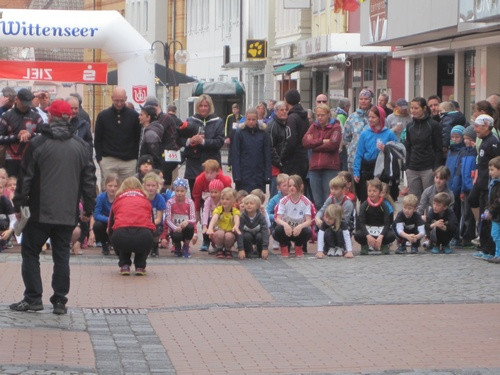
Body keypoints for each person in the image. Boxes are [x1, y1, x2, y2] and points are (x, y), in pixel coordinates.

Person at [10, 99, 96, 314]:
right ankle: (59, 300)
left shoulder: (38, 143)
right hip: (67, 212)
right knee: (61, 255)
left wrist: (19, 203)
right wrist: (88, 208)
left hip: (40, 210)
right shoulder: (81, 146)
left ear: (51, 117)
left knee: (30, 252)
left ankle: (33, 297)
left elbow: (25, 177)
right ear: (70, 118)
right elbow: (89, 180)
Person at [94, 87, 142, 186]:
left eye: (121, 100)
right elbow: (97, 139)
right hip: (108, 160)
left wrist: (135, 158)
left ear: (126, 98)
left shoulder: (134, 116)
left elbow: (138, 138)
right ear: (112, 98)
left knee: (128, 190)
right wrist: (100, 159)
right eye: (116, 100)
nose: (119, 103)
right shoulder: (103, 116)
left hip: (129, 162)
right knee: (108, 191)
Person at [108, 177, 155, 276]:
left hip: (121, 236)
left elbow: (110, 225)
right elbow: (152, 225)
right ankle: (140, 266)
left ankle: (124, 264)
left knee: (121, 235)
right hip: (143, 236)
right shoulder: (145, 200)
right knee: (146, 235)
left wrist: (113, 242)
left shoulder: (118, 200)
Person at [177, 94, 225, 191]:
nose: (203, 108)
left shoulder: (218, 121)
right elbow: (179, 139)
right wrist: (190, 141)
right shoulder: (190, 120)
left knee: (213, 197)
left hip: (212, 165)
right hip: (193, 165)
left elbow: (219, 142)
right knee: (196, 198)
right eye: (201, 106)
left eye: (206, 106)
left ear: (210, 107)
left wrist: (203, 141)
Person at [353, 105, 397, 203]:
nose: (370, 119)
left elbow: (396, 150)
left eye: (373, 117)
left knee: (382, 198)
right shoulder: (365, 133)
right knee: (365, 198)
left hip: (382, 169)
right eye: (369, 117)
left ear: (380, 118)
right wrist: (356, 171)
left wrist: (386, 148)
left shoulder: (389, 133)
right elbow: (359, 154)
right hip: (367, 168)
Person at [470, 114, 500, 260]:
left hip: (489, 187)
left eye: (477, 126)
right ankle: (485, 246)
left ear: (486, 126)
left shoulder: (493, 142)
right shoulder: (484, 141)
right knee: (482, 215)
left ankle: (490, 249)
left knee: (488, 219)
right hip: (481, 184)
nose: (475, 130)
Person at [302, 103, 342, 210]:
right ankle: (320, 222)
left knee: (329, 199)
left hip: (330, 167)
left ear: (328, 115)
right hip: (314, 168)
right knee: (317, 201)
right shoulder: (313, 127)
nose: (320, 117)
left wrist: (314, 146)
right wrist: (321, 141)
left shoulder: (336, 127)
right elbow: (305, 142)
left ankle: (330, 222)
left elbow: (333, 145)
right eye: (318, 115)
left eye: (322, 115)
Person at [405, 97, 443, 199]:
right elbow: (408, 147)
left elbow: (439, 148)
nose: (413, 110)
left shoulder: (433, 125)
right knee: (414, 200)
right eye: (412, 108)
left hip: (428, 168)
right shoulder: (410, 126)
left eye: (416, 108)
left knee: (430, 198)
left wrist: (435, 168)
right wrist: (407, 166)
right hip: (412, 168)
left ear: (424, 108)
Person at [0, 88, 43, 177]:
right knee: (12, 186)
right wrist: (17, 136)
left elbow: (44, 136)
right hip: (11, 159)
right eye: (23, 104)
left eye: (28, 104)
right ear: (16, 99)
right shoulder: (6, 116)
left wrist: (30, 135)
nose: (26, 106)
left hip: (30, 158)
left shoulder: (36, 116)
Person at [231, 108, 271, 192]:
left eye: (253, 119)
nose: (251, 122)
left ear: (257, 119)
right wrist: (236, 176)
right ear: (245, 119)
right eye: (249, 119)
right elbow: (235, 155)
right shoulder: (239, 133)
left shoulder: (263, 133)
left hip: (258, 174)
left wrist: (267, 175)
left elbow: (267, 155)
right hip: (244, 174)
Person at [143, 96, 179, 186]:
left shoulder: (165, 118)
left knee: (166, 183)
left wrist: (146, 126)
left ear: (155, 107)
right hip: (164, 156)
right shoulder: (159, 119)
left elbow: (156, 133)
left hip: (169, 156)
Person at [273, 175, 312, 258]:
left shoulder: (306, 202)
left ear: (301, 187)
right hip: (287, 230)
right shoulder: (283, 201)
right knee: (278, 230)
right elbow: (278, 218)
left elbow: (309, 220)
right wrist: (285, 225)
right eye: (289, 186)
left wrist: (300, 226)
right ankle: (284, 247)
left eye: (294, 185)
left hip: (298, 231)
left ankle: (298, 246)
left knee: (308, 231)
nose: (291, 188)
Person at [354, 178, 395, 255]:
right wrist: (368, 236)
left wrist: (381, 237)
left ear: (379, 192)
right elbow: (361, 223)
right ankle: (365, 245)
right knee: (358, 235)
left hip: (381, 229)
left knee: (392, 235)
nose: (371, 193)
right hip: (368, 229)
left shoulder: (384, 205)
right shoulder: (364, 205)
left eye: (374, 191)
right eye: (369, 191)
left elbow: (387, 223)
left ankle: (383, 244)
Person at [281, 89, 309, 182]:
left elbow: (291, 140)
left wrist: (282, 156)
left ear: (287, 101)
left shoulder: (292, 118)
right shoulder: (304, 117)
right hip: (303, 157)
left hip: (293, 160)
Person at [165, 177, 197, 258]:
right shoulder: (170, 202)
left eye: (182, 191)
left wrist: (188, 221)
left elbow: (193, 218)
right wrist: (175, 227)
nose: (179, 193)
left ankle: (186, 246)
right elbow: (168, 219)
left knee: (190, 227)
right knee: (176, 235)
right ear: (174, 191)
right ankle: (177, 246)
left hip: (185, 227)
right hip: (175, 228)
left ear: (186, 191)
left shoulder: (190, 202)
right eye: (177, 191)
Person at [206, 187, 241, 259]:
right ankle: (219, 249)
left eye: (227, 199)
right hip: (219, 232)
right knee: (220, 233)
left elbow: (236, 218)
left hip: (229, 233)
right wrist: (210, 228)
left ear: (233, 201)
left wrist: (236, 226)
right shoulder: (218, 209)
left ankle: (228, 249)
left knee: (229, 236)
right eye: (222, 199)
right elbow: (214, 218)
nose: (224, 201)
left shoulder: (235, 211)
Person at [344, 88, 373, 171]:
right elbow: (346, 138)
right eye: (361, 99)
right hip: (354, 159)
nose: (363, 101)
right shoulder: (352, 117)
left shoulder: (374, 117)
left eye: (366, 99)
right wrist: (350, 149)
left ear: (370, 100)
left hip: (370, 160)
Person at [445, 125, 466, 244]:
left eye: (457, 137)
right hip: (449, 185)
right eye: (452, 137)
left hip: (457, 187)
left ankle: (458, 235)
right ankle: (452, 234)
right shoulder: (450, 151)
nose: (454, 139)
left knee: (458, 212)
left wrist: (457, 186)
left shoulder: (462, 151)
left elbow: (459, 171)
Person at [459, 125, 477, 247]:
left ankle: (472, 236)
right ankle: (465, 236)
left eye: (468, 138)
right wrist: (461, 189)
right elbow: (461, 173)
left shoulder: (476, 152)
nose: (466, 141)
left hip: (473, 188)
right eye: (464, 138)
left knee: (472, 214)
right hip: (465, 188)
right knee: (465, 213)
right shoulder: (463, 152)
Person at [93, 173, 119, 256]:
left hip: (117, 223)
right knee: (97, 225)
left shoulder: (120, 198)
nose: (112, 188)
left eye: (115, 186)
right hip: (104, 222)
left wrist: (113, 221)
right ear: (105, 186)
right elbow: (96, 215)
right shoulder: (101, 197)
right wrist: (109, 220)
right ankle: (104, 244)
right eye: (110, 186)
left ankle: (116, 245)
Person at [237, 193, 270, 259]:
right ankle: (248, 252)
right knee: (246, 236)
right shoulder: (242, 217)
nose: (249, 205)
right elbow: (239, 233)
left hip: (258, 236)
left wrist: (265, 248)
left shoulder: (261, 217)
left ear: (257, 206)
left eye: (251, 203)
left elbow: (265, 232)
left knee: (260, 236)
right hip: (248, 237)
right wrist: (240, 249)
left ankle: (260, 251)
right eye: (246, 204)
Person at [266, 101, 288, 197]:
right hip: (275, 167)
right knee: (276, 194)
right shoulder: (272, 125)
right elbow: (270, 147)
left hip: (284, 165)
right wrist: (279, 162)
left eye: (285, 110)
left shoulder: (286, 124)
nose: (284, 112)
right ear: (275, 111)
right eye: (281, 110)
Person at [143, 172, 166, 257]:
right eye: (148, 185)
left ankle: (155, 246)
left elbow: (158, 219)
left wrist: (149, 224)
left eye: (153, 186)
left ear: (157, 186)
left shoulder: (160, 199)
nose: (150, 188)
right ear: (144, 186)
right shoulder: (142, 197)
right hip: (143, 222)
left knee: (156, 229)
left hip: (155, 223)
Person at [201, 178, 224, 253]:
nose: (213, 194)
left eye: (215, 192)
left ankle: (219, 244)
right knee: (206, 221)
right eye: (211, 192)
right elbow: (205, 212)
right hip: (211, 219)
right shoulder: (208, 200)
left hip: (221, 219)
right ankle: (206, 241)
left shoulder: (223, 200)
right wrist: (204, 225)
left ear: (220, 192)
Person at [484, 156, 500, 263]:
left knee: (496, 234)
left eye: (492, 170)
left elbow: (497, 201)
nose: (490, 172)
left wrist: (490, 210)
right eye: (489, 170)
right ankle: (497, 253)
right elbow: (489, 199)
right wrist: (487, 209)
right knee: (495, 235)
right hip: (495, 215)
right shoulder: (493, 183)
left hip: (497, 215)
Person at [138, 105, 164, 170]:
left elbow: (154, 157)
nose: (139, 117)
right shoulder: (147, 130)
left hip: (149, 171)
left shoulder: (150, 134)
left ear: (148, 117)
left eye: (141, 115)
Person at [224, 103, 243, 171]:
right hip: (231, 137)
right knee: (231, 151)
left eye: (235, 109)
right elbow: (226, 127)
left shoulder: (241, 117)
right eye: (233, 109)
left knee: (238, 151)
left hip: (238, 137)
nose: (234, 110)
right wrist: (227, 137)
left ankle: (238, 165)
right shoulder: (229, 117)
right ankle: (229, 165)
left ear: (238, 109)